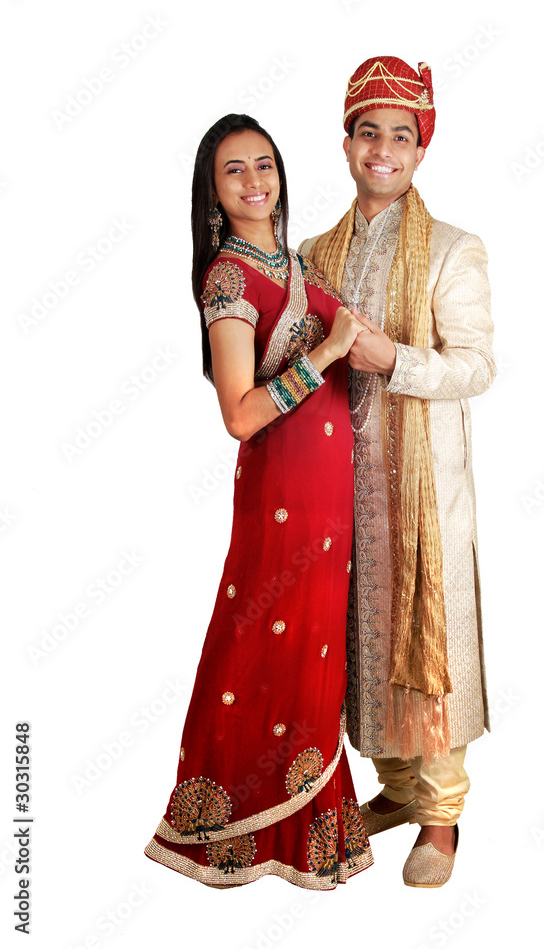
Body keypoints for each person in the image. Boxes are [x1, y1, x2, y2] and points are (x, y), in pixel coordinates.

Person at [144, 113, 373, 890]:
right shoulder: (231, 279)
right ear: (212, 192)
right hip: (283, 493)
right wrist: (331, 349)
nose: (255, 182)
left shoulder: (296, 264)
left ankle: (305, 829)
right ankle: (224, 825)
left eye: (265, 165)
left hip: (329, 494)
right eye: (234, 170)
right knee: (261, 641)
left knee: (313, 647)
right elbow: (239, 414)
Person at [299, 56, 496, 888]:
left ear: (423, 149)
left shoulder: (454, 248)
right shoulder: (312, 253)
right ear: (345, 141)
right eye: (368, 131)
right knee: (358, 640)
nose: (383, 148)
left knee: (429, 641)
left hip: (423, 491)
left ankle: (442, 818)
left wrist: (394, 358)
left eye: (401, 135)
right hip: (339, 484)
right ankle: (396, 787)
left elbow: (478, 366)